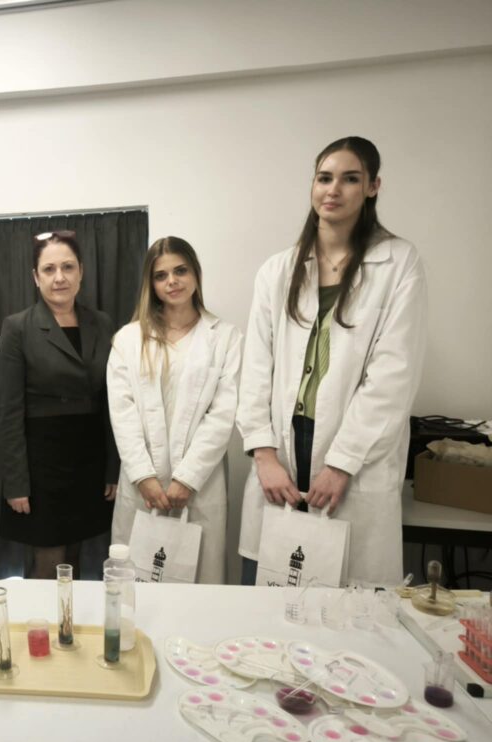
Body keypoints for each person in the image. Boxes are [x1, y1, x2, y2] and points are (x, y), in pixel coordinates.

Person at [237, 137, 427, 585]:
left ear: (373, 186)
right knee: (271, 584)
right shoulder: (278, 270)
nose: (333, 189)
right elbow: (256, 367)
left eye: (350, 179)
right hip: (283, 442)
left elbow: (393, 375)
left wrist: (342, 463)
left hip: (354, 444)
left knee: (342, 598)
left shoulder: (398, 262)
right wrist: (263, 454)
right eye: (324, 178)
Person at [107, 237, 241, 584]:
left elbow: (222, 414)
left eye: (180, 271)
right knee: (137, 586)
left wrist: (187, 478)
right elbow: (122, 412)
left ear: (195, 274)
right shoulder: (128, 339)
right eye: (161, 275)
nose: (172, 281)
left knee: (199, 585)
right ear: (150, 284)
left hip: (200, 485)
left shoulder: (225, 337)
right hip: (142, 486)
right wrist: (144, 477)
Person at [0, 230, 119, 579]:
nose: (59, 277)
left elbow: (111, 401)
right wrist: (15, 483)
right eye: (49, 269)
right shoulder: (18, 327)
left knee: (78, 558)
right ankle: (40, 618)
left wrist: (113, 467)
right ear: (36, 277)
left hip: (89, 458)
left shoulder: (102, 323)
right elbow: (8, 412)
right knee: (48, 563)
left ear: (81, 272)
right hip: (41, 463)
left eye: (67, 267)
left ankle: (70, 617)